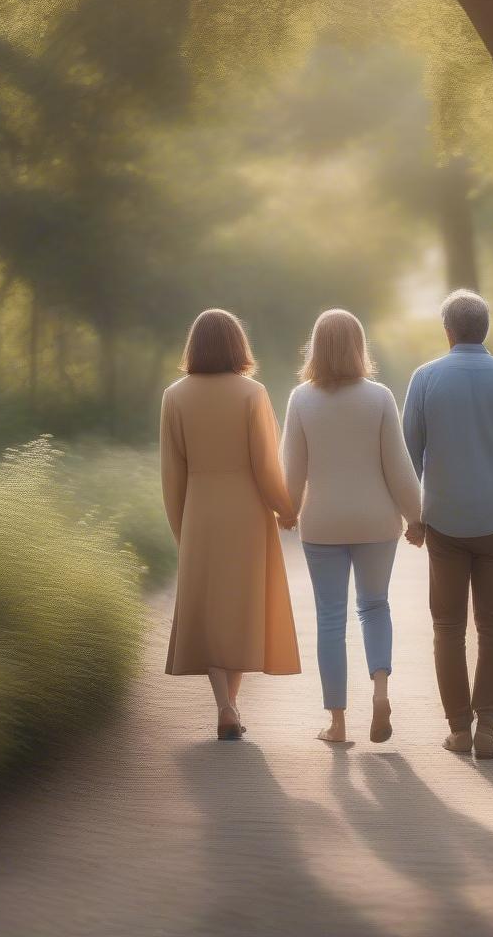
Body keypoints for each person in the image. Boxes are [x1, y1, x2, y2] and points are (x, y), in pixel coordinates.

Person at [403, 289, 493, 760]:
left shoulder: (424, 379)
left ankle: (458, 731)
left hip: (443, 522)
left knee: (447, 626)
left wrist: (416, 515)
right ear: (486, 330)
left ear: (448, 331)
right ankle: (487, 730)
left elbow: (409, 456)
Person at [281, 309, 422, 745]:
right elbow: (398, 467)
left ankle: (338, 724)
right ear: (359, 346)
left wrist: (286, 511)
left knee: (330, 618)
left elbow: (293, 470)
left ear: (316, 347)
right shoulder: (379, 397)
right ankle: (380, 692)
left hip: (322, 523)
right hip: (376, 520)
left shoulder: (301, 399)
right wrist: (416, 517)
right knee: (375, 606)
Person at [160, 308, 300, 740]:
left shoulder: (175, 396)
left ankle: (226, 705)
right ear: (239, 345)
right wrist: (286, 508)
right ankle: (230, 706)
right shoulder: (252, 394)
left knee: (210, 608)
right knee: (239, 608)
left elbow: (171, 472)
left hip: (199, 509)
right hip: (245, 509)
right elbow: (265, 464)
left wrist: (181, 526)